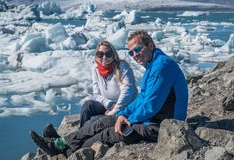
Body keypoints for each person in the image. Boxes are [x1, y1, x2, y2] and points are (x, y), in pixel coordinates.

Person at [29, 30, 189, 157]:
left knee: (107, 134)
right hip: (151, 120)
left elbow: (150, 105)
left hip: (160, 126)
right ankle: (59, 143)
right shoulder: (152, 65)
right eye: (132, 52)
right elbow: (142, 98)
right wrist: (123, 114)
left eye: (138, 49)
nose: (135, 55)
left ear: (151, 45)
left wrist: (127, 119)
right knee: (103, 122)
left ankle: (65, 151)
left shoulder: (161, 67)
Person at [80, 40, 137, 127]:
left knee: (91, 122)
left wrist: (112, 112)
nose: (104, 57)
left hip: (124, 107)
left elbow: (127, 93)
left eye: (108, 54)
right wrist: (109, 104)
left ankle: (83, 133)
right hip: (108, 105)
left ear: (113, 55)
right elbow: (96, 94)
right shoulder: (95, 69)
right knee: (88, 105)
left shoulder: (122, 67)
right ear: (96, 55)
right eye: (100, 54)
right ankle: (81, 134)